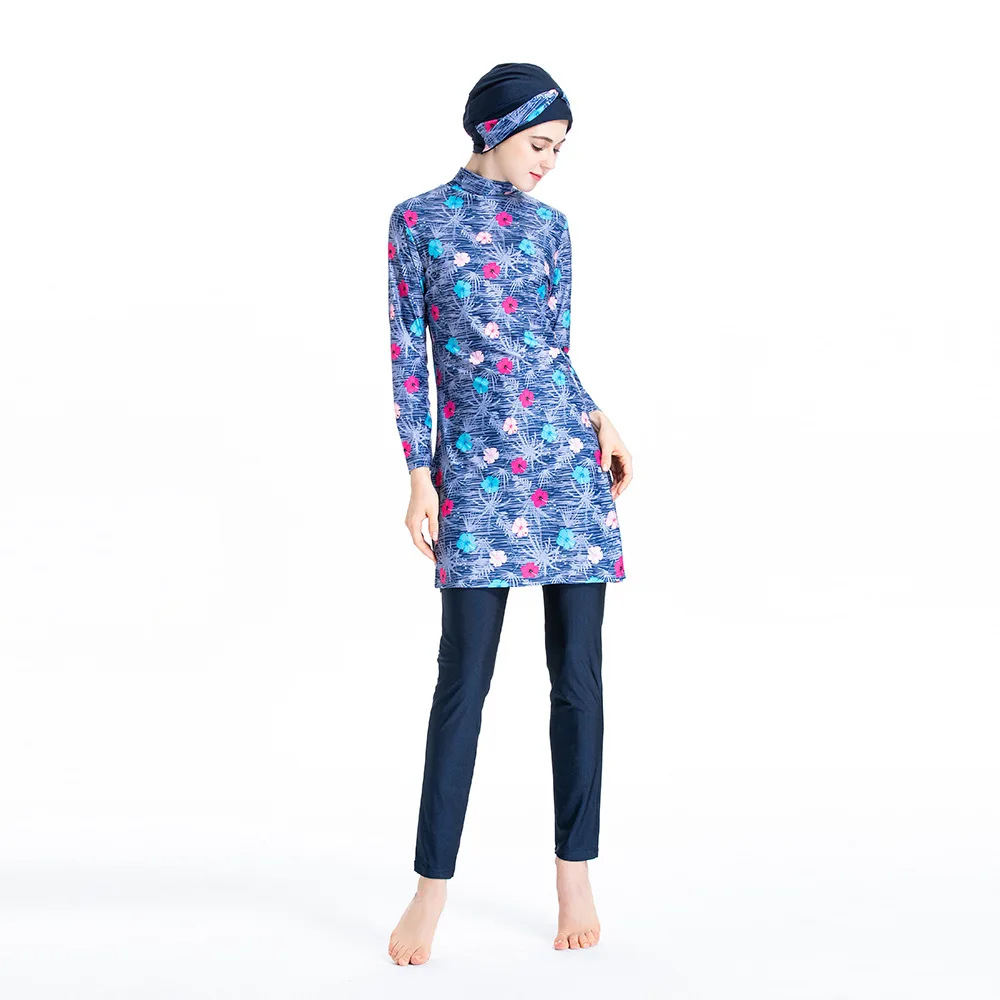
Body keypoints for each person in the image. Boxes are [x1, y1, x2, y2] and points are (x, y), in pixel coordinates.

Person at [385, 63, 633, 966]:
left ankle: (575, 875)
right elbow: (408, 356)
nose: (549, 162)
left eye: (559, 149)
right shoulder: (417, 222)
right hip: (478, 481)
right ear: (493, 129)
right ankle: (430, 889)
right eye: (540, 143)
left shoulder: (551, 229)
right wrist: (420, 475)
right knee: (463, 685)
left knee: (579, 681)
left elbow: (553, 348)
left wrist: (598, 414)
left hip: (568, 468)